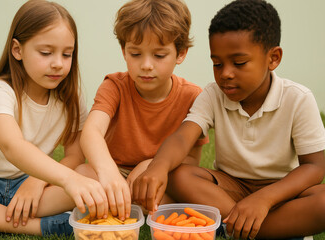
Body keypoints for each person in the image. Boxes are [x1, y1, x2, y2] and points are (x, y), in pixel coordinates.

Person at [132, 0, 325, 239]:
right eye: (217, 64)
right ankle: (262, 228)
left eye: (239, 63)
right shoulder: (213, 94)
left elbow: (315, 167)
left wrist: (264, 199)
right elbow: (183, 137)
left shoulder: (298, 99)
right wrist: (158, 166)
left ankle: (241, 227)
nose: (225, 74)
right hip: (229, 189)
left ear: (273, 58)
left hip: (280, 193)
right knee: (178, 174)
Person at [0, 0, 108, 238]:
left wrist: (37, 181)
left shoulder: (71, 97)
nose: (58, 63)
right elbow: (13, 147)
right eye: (46, 53)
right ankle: (41, 226)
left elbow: (74, 155)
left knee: (91, 175)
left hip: (35, 188)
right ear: (17, 50)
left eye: (67, 54)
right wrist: (67, 180)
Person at [77, 0, 208, 221]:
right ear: (124, 51)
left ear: (180, 53)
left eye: (158, 56)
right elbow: (91, 133)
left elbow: (191, 160)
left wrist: (151, 166)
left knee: (182, 192)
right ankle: (124, 202)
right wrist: (109, 173)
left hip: (158, 176)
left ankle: (119, 206)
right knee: (82, 174)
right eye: (136, 54)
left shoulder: (193, 96)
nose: (146, 65)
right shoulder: (114, 86)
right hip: (113, 172)